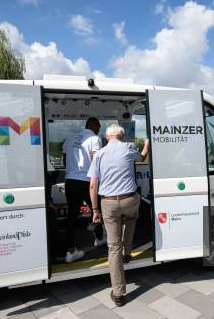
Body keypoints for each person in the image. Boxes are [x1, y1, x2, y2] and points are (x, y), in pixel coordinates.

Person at [88, 124, 150, 307]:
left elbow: (93, 185)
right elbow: (142, 157)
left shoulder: (99, 154)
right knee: (131, 218)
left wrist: (95, 210)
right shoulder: (129, 148)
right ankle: (128, 252)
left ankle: (119, 293)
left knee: (113, 247)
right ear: (121, 136)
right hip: (130, 199)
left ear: (107, 137)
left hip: (108, 203)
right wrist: (147, 143)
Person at [62, 117, 105, 263]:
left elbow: (64, 161)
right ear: (94, 126)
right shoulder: (94, 139)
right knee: (96, 210)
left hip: (70, 181)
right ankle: (99, 239)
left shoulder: (69, 139)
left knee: (71, 216)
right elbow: (96, 162)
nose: (99, 130)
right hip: (87, 181)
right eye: (98, 127)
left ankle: (71, 251)